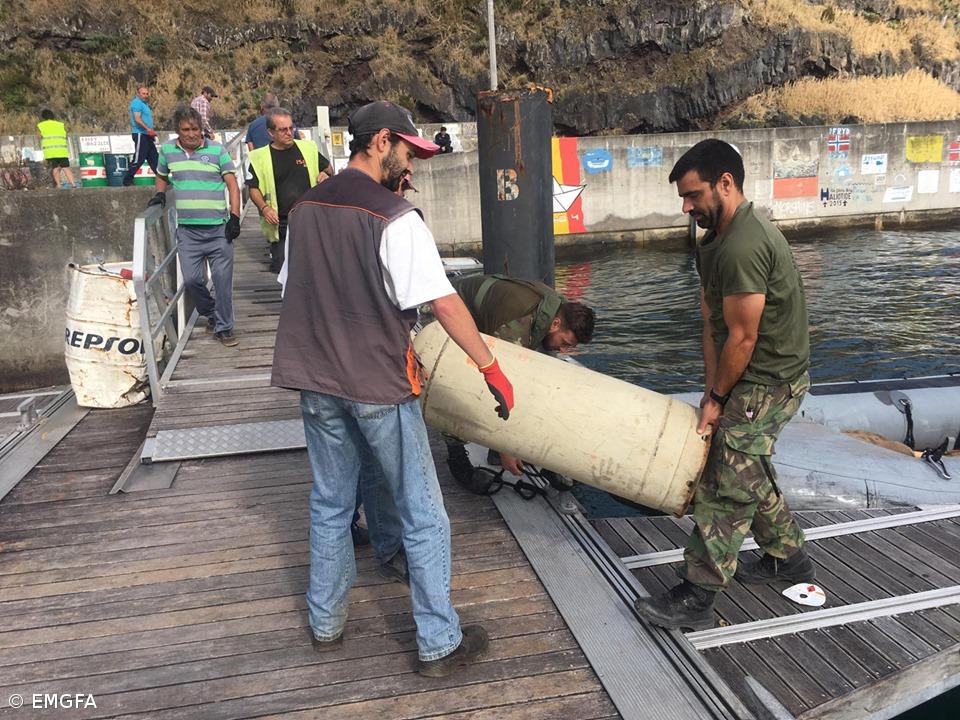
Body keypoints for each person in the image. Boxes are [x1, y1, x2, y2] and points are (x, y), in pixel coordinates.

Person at [271, 100, 514, 677]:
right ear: (381, 141)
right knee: (424, 513)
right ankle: (437, 643)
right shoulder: (394, 216)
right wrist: (490, 368)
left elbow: (292, 289)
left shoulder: (303, 208)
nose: (412, 165)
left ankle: (324, 623)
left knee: (331, 502)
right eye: (408, 151)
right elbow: (444, 302)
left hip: (314, 380)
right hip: (377, 386)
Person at [634, 139, 814, 631]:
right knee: (746, 466)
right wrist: (712, 388)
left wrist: (718, 400)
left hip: (768, 379)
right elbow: (710, 316)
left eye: (693, 195)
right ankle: (787, 556)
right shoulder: (713, 238)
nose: (686, 207)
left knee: (724, 484)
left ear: (726, 184)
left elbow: (744, 336)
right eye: (683, 198)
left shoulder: (743, 245)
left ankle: (698, 593)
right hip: (745, 373)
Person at [446, 273, 594, 479]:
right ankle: (457, 459)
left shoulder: (554, 308)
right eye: (564, 343)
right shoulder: (517, 325)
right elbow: (496, 386)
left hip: (475, 314)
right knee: (459, 385)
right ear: (555, 324)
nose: (562, 349)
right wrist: (505, 447)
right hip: (444, 315)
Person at [148, 107, 242, 347]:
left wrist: (234, 217)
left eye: (196, 129)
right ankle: (211, 311)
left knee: (222, 281)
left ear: (202, 129)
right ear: (177, 131)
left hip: (218, 230)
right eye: (186, 129)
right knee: (191, 281)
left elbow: (232, 185)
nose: (191, 134)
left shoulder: (216, 150)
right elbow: (161, 175)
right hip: (188, 231)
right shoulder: (168, 151)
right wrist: (160, 194)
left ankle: (225, 327)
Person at [246, 107, 332, 275]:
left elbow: (329, 168)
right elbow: (253, 189)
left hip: (310, 220)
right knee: (281, 272)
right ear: (271, 133)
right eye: (283, 129)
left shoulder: (308, 149)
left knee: (314, 270)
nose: (289, 133)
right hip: (280, 223)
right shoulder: (260, 157)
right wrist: (264, 208)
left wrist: (325, 174)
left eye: (291, 128)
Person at [122, 85, 159, 186]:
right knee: (139, 158)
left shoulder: (145, 104)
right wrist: (148, 129)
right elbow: (137, 119)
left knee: (154, 159)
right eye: (143, 93)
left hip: (147, 135)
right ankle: (127, 179)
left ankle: (163, 180)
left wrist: (150, 132)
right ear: (138, 94)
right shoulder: (137, 103)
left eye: (147, 93)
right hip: (140, 134)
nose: (146, 95)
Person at [37, 109, 79, 189]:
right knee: (66, 167)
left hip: (50, 152)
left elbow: (39, 137)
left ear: (43, 117)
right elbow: (65, 136)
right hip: (62, 151)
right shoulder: (60, 124)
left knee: (55, 168)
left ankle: (59, 185)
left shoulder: (41, 125)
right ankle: (73, 184)